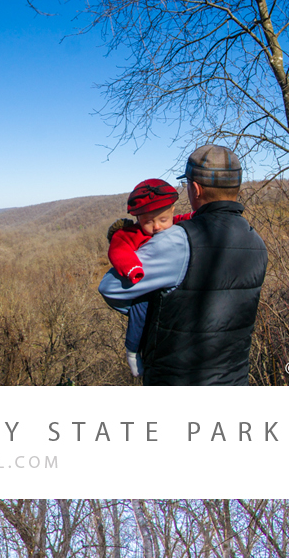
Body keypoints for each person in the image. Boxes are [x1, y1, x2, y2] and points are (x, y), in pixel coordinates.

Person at [98, 145, 268, 385]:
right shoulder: (256, 242)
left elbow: (110, 287)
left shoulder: (178, 241)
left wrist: (151, 308)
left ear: (195, 188)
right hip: (236, 381)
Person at [106, 179, 192, 377]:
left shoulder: (175, 224)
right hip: (143, 285)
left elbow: (185, 219)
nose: (156, 227)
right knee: (140, 312)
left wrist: (199, 216)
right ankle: (133, 350)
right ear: (138, 220)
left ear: (172, 211)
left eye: (162, 220)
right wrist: (132, 269)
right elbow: (118, 247)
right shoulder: (133, 234)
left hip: (169, 289)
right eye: (147, 222)